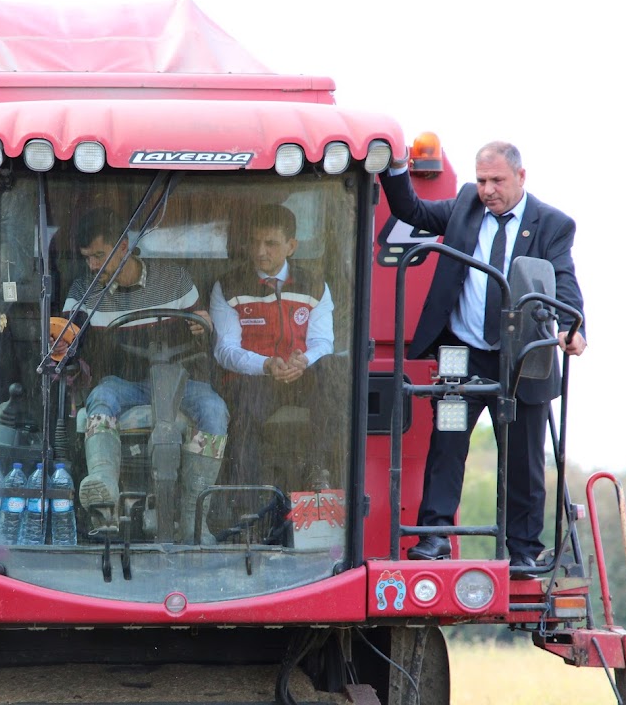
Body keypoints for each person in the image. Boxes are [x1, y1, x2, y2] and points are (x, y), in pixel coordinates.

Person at [379, 140, 587, 569]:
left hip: (522, 358)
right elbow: (412, 211)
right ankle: (435, 536)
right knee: (447, 444)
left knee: (525, 458)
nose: (487, 190)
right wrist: (395, 168)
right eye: (481, 180)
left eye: (497, 180)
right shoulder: (464, 206)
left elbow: (562, 279)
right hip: (462, 355)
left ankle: (524, 550)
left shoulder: (552, 224)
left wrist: (573, 327)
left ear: (521, 177)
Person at [60, 208, 229, 544]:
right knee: (101, 397)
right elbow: (65, 342)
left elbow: (203, 327)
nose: (92, 266)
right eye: (87, 257)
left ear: (124, 247)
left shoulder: (175, 279)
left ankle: (194, 517)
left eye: (99, 256)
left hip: (179, 381)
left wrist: (203, 327)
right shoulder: (83, 290)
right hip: (122, 384)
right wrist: (64, 345)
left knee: (214, 409)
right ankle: (104, 489)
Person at [209, 203, 339, 494]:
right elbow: (224, 350)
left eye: (270, 243)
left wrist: (304, 361)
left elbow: (323, 342)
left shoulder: (315, 285)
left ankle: (318, 468)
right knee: (243, 413)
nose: (260, 251)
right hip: (253, 379)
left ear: (291, 246)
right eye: (254, 242)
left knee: (334, 372)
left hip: (302, 377)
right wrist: (266, 364)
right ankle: (247, 496)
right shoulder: (228, 285)